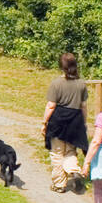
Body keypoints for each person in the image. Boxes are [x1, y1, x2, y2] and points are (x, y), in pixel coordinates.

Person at [42, 51, 88, 192]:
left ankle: (59, 185)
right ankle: (74, 170)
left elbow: (51, 105)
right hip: (75, 120)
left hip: (58, 120)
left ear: (61, 66)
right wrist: (83, 123)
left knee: (57, 153)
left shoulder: (56, 83)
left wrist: (44, 123)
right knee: (70, 151)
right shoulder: (81, 84)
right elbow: (83, 106)